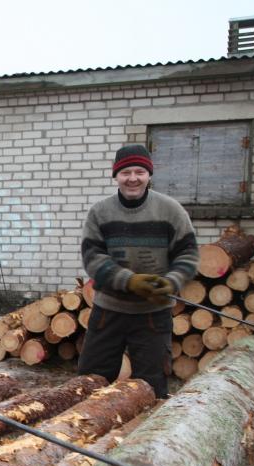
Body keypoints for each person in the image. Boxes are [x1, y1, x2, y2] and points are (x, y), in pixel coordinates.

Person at [77, 144, 199, 398]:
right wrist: (128, 281)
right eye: (126, 172)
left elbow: (188, 254)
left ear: (149, 175)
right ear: (116, 176)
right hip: (109, 312)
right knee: (90, 381)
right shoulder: (100, 212)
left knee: (152, 386)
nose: (133, 178)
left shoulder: (171, 210)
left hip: (153, 315)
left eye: (139, 172)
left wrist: (172, 282)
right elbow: (92, 258)